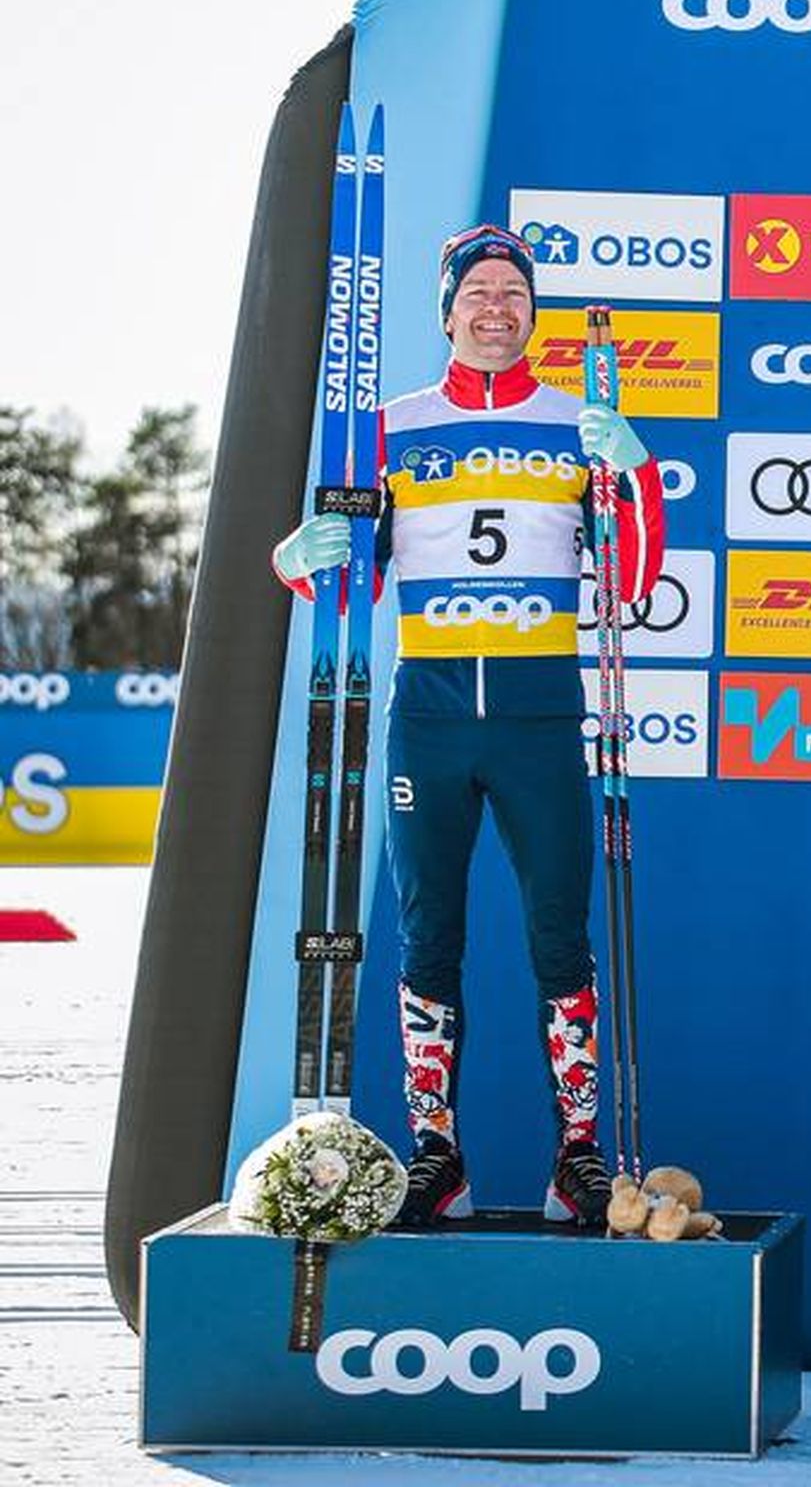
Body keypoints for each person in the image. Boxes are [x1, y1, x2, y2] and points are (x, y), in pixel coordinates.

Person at [271, 225, 664, 1227]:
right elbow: (344, 583)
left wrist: (641, 470)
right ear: (447, 311)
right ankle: (435, 1156)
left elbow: (628, 586)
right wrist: (296, 552)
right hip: (433, 714)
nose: (497, 308)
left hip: (539, 711)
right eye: (478, 292)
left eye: (513, 293)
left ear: (533, 312)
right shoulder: (388, 427)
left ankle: (576, 1158)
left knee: (558, 941)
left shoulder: (578, 426)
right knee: (428, 937)